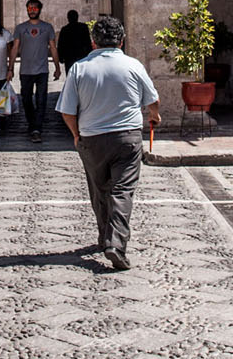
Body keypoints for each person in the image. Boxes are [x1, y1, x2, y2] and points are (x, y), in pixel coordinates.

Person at [57, 15, 160, 271]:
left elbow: (67, 111)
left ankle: (105, 237)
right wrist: (155, 116)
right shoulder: (133, 65)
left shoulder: (80, 68)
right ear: (122, 41)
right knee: (122, 191)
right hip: (127, 137)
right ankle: (115, 243)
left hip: (92, 138)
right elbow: (152, 100)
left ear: (93, 43)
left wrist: (76, 134)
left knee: (99, 189)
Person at [10, 0, 61, 143]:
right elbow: (15, 48)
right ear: (27, 10)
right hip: (25, 70)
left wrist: (57, 67)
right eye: (29, 8)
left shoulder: (47, 28)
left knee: (41, 99)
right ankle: (32, 124)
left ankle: (36, 128)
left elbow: (53, 48)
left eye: (35, 8)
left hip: (42, 70)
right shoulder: (20, 28)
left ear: (39, 10)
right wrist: (10, 68)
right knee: (26, 99)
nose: (32, 11)